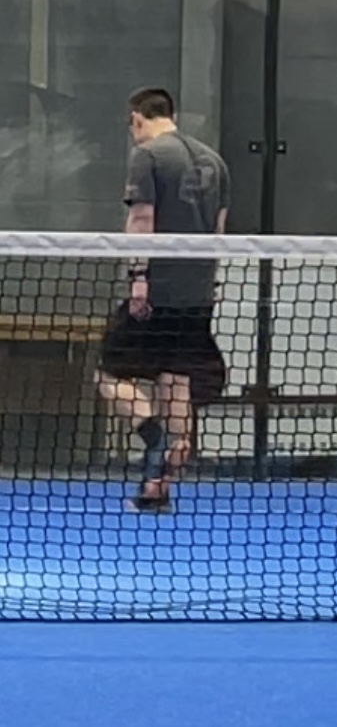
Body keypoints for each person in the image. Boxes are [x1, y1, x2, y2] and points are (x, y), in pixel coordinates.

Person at [95, 88, 231, 513]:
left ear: (137, 118)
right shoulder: (216, 162)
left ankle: (152, 435)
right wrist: (208, 282)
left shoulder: (148, 156)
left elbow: (141, 219)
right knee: (177, 383)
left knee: (107, 376)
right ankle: (157, 489)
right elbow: (220, 230)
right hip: (198, 295)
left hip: (158, 290)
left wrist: (139, 278)